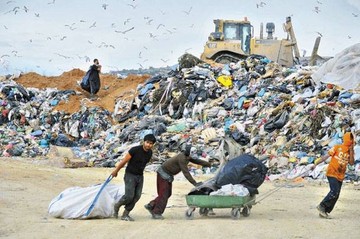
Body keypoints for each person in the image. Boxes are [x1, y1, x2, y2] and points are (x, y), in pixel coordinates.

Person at [144, 145, 211, 219]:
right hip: (163, 174)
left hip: (167, 175)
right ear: (188, 153)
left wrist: (208, 164)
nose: (191, 158)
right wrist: (195, 183)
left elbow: (197, 161)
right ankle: (156, 212)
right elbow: (186, 173)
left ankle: (151, 205)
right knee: (164, 194)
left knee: (167, 194)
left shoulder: (187, 156)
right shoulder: (182, 158)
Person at [111, 134, 156, 221]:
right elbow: (124, 161)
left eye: (151, 143)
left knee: (137, 196)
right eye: (147, 142)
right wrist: (115, 171)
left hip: (140, 176)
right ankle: (117, 206)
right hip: (130, 175)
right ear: (144, 141)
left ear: (153, 144)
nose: (148, 145)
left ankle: (125, 214)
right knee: (129, 196)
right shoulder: (134, 150)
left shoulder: (150, 153)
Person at [311, 132, 354, 218]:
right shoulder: (337, 147)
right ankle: (322, 206)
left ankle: (324, 212)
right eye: (350, 138)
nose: (351, 140)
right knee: (334, 192)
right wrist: (316, 164)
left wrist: (351, 150)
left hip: (340, 175)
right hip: (332, 172)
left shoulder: (350, 152)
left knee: (336, 195)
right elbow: (326, 157)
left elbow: (352, 163)